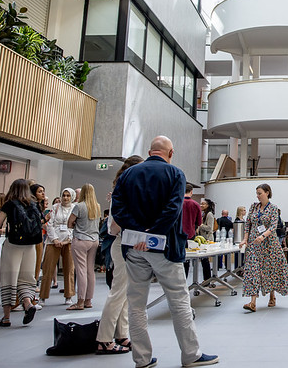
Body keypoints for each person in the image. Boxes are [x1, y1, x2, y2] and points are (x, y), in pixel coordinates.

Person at [111, 135, 218, 367]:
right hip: (166, 247)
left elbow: (117, 208)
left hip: (133, 247)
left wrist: (139, 233)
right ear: (171, 153)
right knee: (179, 300)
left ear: (150, 152)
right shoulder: (176, 174)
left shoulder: (128, 174)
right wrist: (152, 234)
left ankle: (142, 359)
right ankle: (191, 354)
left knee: (136, 303)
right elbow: (173, 209)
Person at [96, 155, 143, 355]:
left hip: (126, 242)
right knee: (118, 291)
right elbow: (115, 227)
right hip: (121, 242)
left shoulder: (122, 190)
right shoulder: (123, 191)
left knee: (125, 293)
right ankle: (104, 339)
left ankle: (121, 334)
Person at [0, 178, 42, 327]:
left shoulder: (9, 204)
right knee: (26, 278)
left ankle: (6, 317)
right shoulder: (34, 204)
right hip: (31, 245)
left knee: (9, 278)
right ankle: (28, 303)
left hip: (13, 245)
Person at [238, 183, 288, 312]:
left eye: (260, 193)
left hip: (269, 244)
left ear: (267, 193)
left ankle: (272, 296)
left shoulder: (273, 208)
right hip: (253, 243)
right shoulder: (253, 207)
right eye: (256, 193)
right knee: (253, 269)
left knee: (270, 269)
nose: (257, 196)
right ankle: (252, 302)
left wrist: (263, 236)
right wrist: (245, 239)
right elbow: (248, 225)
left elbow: (273, 226)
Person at [67, 183, 101, 310]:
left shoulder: (78, 206)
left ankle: (80, 301)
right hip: (94, 240)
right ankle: (88, 300)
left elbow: (69, 223)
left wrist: (75, 224)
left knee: (81, 271)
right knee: (90, 270)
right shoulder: (97, 206)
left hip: (81, 240)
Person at [40, 188, 75, 305]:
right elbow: (50, 224)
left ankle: (69, 295)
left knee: (69, 268)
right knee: (48, 268)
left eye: (68, 196)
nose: (65, 198)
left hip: (68, 241)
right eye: (64, 195)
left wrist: (67, 240)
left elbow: (76, 226)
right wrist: (54, 239)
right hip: (53, 241)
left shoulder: (75, 208)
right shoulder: (55, 208)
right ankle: (43, 296)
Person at [182, 182, 202, 277]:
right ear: (191, 192)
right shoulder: (196, 204)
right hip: (190, 234)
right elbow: (199, 222)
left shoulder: (177, 203)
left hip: (177, 234)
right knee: (188, 257)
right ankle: (185, 280)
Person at [197, 198, 215, 281]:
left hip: (207, 239)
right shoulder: (204, 214)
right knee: (204, 261)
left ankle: (207, 279)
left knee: (205, 261)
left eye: (203, 204)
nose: (201, 205)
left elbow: (209, 228)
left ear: (207, 205)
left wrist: (200, 225)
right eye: (201, 203)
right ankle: (206, 279)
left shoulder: (209, 214)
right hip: (203, 239)